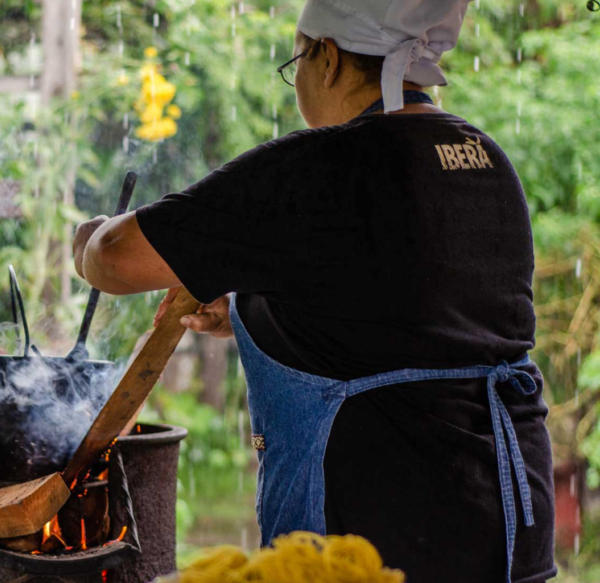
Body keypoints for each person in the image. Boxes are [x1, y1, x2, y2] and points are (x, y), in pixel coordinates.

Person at [71, 1, 557, 582]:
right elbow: (418, 318)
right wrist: (254, 312)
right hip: (507, 531)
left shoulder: (323, 164)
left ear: (326, 58)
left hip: (384, 543)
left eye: (296, 59)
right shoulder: (484, 159)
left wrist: (88, 236)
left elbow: (117, 259)